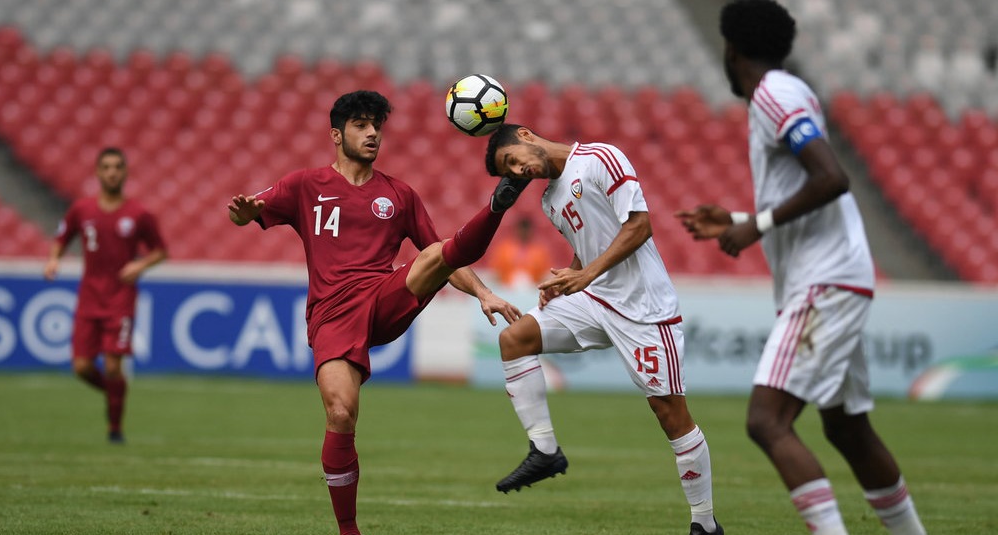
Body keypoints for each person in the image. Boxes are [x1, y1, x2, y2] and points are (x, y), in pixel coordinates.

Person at [674, 2, 927, 534]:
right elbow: (812, 185)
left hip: (825, 280)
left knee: (767, 421)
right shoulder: (790, 93)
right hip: (838, 275)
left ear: (731, 49)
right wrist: (740, 219)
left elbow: (832, 178)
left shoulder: (774, 95)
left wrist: (757, 225)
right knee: (846, 427)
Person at [227, 90, 527, 535]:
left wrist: (483, 293)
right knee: (341, 414)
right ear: (336, 134)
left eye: (376, 126)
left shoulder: (399, 195)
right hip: (331, 314)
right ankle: (349, 530)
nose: (372, 134)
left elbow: (442, 255)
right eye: (361, 125)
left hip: (382, 295)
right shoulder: (304, 185)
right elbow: (244, 213)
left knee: (431, 255)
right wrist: (245, 213)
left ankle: (495, 206)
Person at [484, 124, 724, 535]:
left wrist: (587, 273)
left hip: (644, 308)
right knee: (514, 338)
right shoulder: (548, 200)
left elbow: (639, 224)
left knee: (670, 414)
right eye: (510, 171)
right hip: (594, 299)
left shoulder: (599, 158)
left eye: (512, 160)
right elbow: (588, 244)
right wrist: (569, 277)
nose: (518, 171)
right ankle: (544, 450)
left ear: (525, 135)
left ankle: (704, 524)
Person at [44, 147, 167, 444]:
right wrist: (53, 259)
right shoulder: (81, 210)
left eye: (117, 167)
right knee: (82, 367)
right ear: (98, 173)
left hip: (120, 299)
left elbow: (161, 251)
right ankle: (115, 391)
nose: (112, 172)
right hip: (89, 297)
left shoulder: (139, 214)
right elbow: (61, 238)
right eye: (107, 167)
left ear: (125, 173)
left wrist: (139, 264)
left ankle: (115, 429)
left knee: (113, 365)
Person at [488, 215, 553, 289]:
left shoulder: (540, 251)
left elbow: (544, 275)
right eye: (522, 230)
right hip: (508, 288)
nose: (524, 232)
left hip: (532, 289)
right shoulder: (504, 249)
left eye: (526, 230)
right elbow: (496, 273)